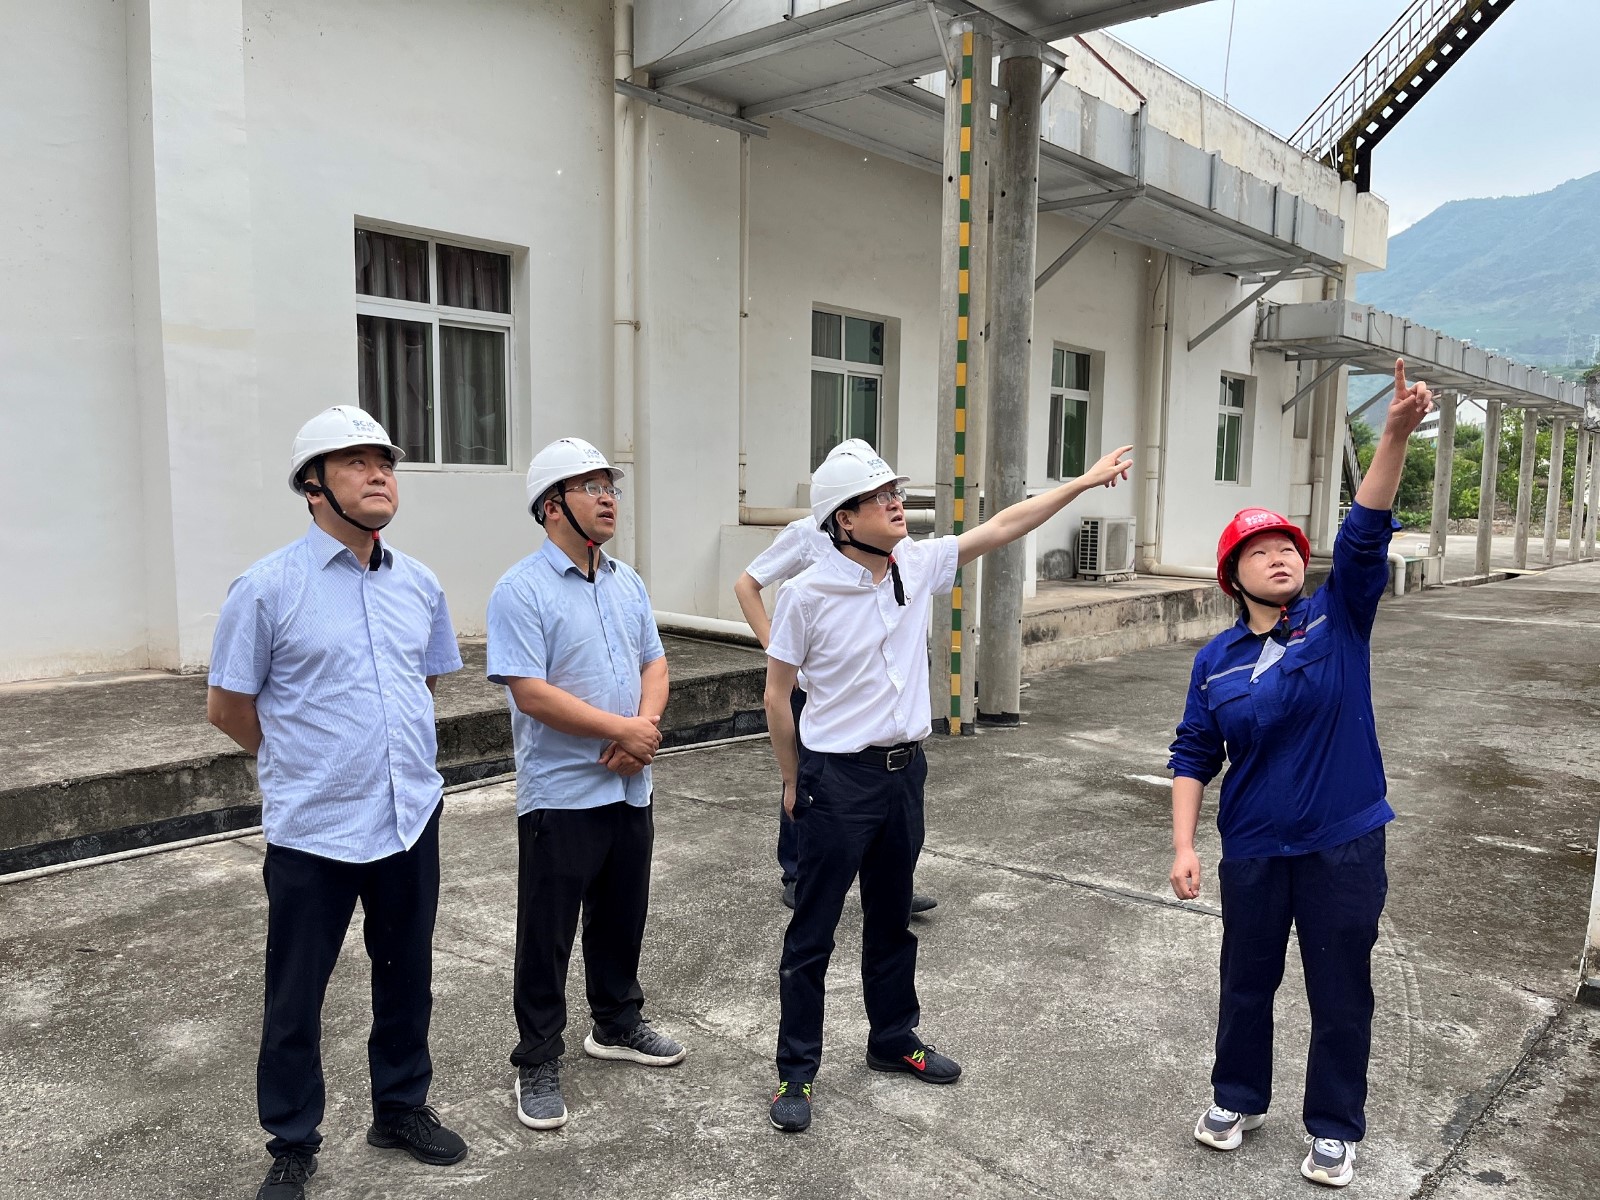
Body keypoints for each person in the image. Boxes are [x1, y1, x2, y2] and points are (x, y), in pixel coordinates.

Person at [764, 442, 1134, 1132]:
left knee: (891, 919)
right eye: (879, 497)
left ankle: (892, 1039)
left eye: (894, 492)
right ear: (843, 519)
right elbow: (777, 695)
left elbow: (1004, 525)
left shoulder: (915, 563)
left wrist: (1082, 483)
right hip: (836, 780)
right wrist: (792, 780)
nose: (896, 503)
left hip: (904, 776)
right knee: (812, 932)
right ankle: (797, 1071)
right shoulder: (805, 595)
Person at [1167, 359, 1434, 1188]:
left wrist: (1391, 437)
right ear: (1233, 576)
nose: (1279, 556)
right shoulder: (1215, 661)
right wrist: (1185, 846)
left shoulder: (1337, 618)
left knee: (1340, 989)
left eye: (1286, 545)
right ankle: (1237, 1097)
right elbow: (1193, 754)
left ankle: (1333, 1126)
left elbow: (1365, 531)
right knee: (1246, 981)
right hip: (1253, 846)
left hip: (1342, 844)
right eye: (1260, 550)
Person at [207, 405, 468, 1200]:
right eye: (357, 462)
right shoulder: (266, 589)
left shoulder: (419, 583)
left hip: (407, 817)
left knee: (407, 976)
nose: (380, 474)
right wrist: (300, 763)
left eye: (385, 461)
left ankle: (401, 1108)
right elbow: (228, 707)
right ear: (313, 487)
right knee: (295, 995)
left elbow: (421, 684)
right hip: (313, 831)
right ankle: (292, 1141)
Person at [487, 436, 687, 1134]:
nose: (608, 498)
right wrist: (621, 730)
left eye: (611, 486)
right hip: (562, 793)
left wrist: (642, 731)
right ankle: (538, 1057)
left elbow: (654, 663)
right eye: (591, 486)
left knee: (622, 912)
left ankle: (616, 1023)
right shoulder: (520, 589)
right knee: (547, 932)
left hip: (630, 783)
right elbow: (530, 691)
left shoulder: (627, 582)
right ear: (552, 505)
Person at [733, 440, 936, 915]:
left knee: (884, 788)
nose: (887, 499)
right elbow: (747, 584)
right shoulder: (808, 531)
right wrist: (779, 651)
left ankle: (891, 886)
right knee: (807, 779)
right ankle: (797, 872)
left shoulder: (896, 540)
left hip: (867, 676)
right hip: (818, 680)